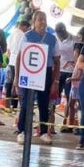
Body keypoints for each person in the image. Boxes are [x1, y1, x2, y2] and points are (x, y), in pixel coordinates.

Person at [15, 9, 60, 146]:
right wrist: (17, 77)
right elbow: (19, 58)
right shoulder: (27, 36)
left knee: (44, 103)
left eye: (44, 19)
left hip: (45, 73)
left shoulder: (52, 39)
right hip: (28, 73)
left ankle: (44, 132)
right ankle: (21, 131)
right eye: (40, 19)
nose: (43, 22)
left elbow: (57, 61)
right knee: (25, 104)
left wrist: (55, 81)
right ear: (33, 22)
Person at [54, 22, 76, 130]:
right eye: (59, 34)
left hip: (70, 71)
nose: (60, 36)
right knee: (53, 96)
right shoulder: (54, 38)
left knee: (69, 98)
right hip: (58, 71)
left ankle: (67, 123)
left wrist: (73, 62)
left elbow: (78, 54)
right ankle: (49, 124)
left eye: (62, 33)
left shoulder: (73, 39)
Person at [5, 19, 29, 112]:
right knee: (17, 85)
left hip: (11, 62)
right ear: (23, 27)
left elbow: (8, 51)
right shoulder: (23, 35)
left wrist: (11, 59)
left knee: (9, 84)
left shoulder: (11, 34)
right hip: (19, 63)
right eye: (27, 28)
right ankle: (15, 106)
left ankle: (7, 106)